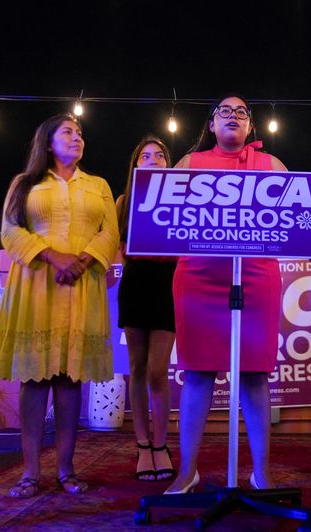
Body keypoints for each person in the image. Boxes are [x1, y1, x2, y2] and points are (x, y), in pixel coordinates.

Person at [0, 114, 119, 498]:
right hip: (36, 285)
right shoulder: (25, 183)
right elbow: (10, 231)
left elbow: (110, 233)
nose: (77, 137)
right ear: (48, 142)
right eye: (68, 132)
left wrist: (80, 261)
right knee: (35, 378)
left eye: (80, 133)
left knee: (69, 379)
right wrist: (51, 256)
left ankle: (67, 470)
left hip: (82, 285)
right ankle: (30, 473)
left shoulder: (98, 186)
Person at [164, 94, 286, 494]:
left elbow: (291, 224)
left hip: (256, 277)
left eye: (242, 113)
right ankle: (188, 470)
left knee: (254, 375)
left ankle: (262, 472)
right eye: (225, 112)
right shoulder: (188, 164)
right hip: (199, 278)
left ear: (251, 126)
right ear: (212, 125)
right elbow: (164, 217)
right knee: (197, 372)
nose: (233, 116)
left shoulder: (273, 165)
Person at [115, 136, 177, 482]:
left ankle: (161, 445)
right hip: (136, 284)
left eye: (160, 155)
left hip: (167, 286)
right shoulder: (124, 201)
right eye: (146, 155)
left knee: (158, 370)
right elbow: (118, 248)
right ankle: (142, 445)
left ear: (168, 163)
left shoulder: (181, 198)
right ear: (136, 164)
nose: (153, 159)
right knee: (136, 367)